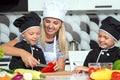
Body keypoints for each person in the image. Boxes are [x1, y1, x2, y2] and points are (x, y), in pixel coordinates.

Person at [1, 0, 69, 71]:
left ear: (61, 25)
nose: (50, 26)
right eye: (47, 21)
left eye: (55, 23)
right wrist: (23, 53)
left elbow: (61, 71)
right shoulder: (32, 34)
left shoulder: (62, 42)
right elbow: (2, 49)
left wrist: (54, 67)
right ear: (43, 21)